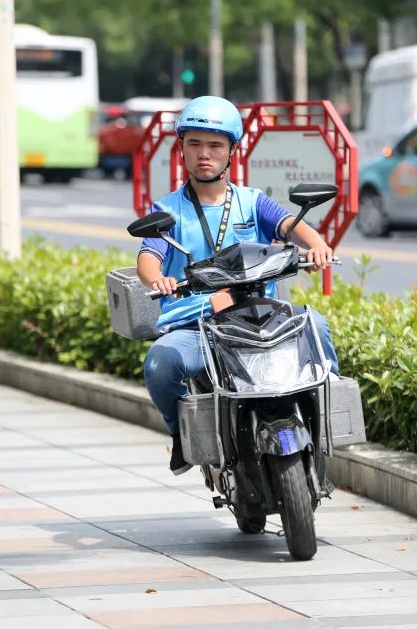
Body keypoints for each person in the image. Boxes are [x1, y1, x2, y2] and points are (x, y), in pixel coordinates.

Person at [137, 96, 340, 475]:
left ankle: (328, 412)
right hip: (197, 324)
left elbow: (289, 226)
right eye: (195, 144)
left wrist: (317, 246)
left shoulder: (251, 201)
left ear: (232, 151)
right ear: (181, 148)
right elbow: (149, 256)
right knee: (160, 362)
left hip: (258, 316)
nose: (204, 154)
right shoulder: (166, 210)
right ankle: (182, 435)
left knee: (317, 325)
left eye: (215, 145)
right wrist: (158, 279)